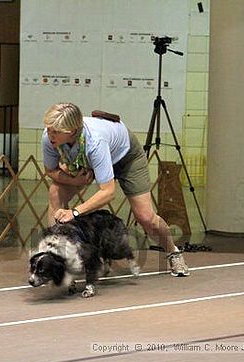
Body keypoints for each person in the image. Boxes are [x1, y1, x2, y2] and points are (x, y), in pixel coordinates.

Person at [41, 102, 189, 276]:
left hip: (126, 158)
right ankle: (55, 254)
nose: (50, 135)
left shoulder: (95, 141)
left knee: (146, 217)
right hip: (89, 161)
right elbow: (51, 171)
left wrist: (74, 212)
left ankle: (173, 252)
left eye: (56, 132)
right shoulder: (49, 138)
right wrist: (74, 181)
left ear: (72, 131)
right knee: (55, 192)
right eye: (49, 129)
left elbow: (108, 192)